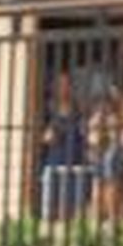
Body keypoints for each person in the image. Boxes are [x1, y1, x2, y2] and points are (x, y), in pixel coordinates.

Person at [34, 73, 92, 222]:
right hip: (55, 157)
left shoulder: (78, 108)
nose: (64, 88)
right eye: (60, 84)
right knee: (54, 194)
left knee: (73, 196)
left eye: (67, 84)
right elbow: (41, 136)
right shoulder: (47, 109)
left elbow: (84, 131)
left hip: (75, 156)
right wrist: (47, 136)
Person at [88, 75, 123, 228]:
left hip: (121, 148)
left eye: (114, 90)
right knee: (104, 179)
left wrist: (111, 121)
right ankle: (102, 216)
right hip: (111, 147)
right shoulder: (112, 108)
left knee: (114, 181)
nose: (112, 93)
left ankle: (112, 216)